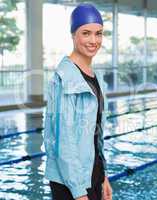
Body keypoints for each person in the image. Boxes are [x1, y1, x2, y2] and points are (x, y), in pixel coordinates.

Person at [43, 3, 112, 200]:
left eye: (98, 34)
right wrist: (79, 192)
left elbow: (94, 136)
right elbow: (64, 142)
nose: (93, 40)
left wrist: (103, 176)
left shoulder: (94, 77)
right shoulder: (65, 78)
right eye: (86, 33)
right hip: (70, 183)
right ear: (73, 35)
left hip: (91, 176)